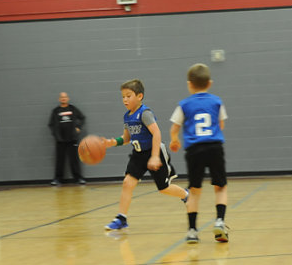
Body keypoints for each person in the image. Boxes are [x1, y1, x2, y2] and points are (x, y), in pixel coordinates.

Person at [100, 79, 189, 231]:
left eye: (128, 96)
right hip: (138, 154)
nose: (125, 99)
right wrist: (112, 142)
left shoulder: (145, 113)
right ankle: (121, 218)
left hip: (155, 151)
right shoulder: (127, 116)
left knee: (164, 188)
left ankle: (186, 195)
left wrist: (154, 156)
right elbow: (127, 138)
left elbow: (157, 133)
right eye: (123, 97)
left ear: (139, 96)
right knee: (127, 183)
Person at [169, 63, 229, 244]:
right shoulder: (217, 102)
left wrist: (174, 140)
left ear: (189, 84)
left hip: (194, 150)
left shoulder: (184, 104)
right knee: (220, 187)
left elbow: (174, 128)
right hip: (215, 147)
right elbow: (221, 125)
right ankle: (219, 221)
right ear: (209, 83)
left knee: (194, 191)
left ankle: (192, 231)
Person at [48, 92, 86, 185]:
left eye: (65, 97)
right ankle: (57, 179)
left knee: (74, 160)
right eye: (62, 97)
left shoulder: (73, 109)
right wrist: (55, 134)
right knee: (59, 160)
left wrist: (78, 127)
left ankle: (78, 178)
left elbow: (82, 118)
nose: (63, 98)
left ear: (68, 98)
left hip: (72, 139)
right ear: (59, 99)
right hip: (60, 140)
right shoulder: (56, 111)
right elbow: (51, 124)